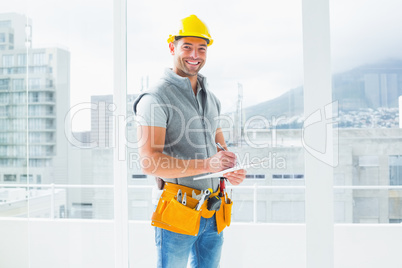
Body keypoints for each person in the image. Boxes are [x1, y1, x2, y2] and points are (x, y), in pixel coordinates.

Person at [133, 14, 246, 268]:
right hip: (177, 211)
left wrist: (230, 170)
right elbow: (150, 163)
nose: (195, 55)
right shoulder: (156, 98)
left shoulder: (212, 99)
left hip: (213, 211)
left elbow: (220, 150)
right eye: (187, 47)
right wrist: (210, 165)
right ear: (172, 47)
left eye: (201, 48)